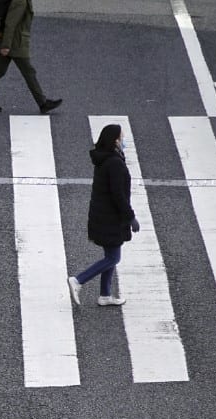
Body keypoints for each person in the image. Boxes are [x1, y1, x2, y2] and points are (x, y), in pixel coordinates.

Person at [68, 124, 138, 307]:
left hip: (103, 214)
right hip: (110, 218)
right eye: (121, 137)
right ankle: (78, 280)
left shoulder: (105, 158)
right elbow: (118, 194)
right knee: (113, 258)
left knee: (111, 254)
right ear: (115, 141)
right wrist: (131, 217)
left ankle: (105, 295)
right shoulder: (114, 162)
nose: (124, 141)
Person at [0, 0, 62, 114]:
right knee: (29, 72)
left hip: (13, 41)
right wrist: (6, 45)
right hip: (16, 43)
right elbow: (11, 22)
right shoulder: (20, 1)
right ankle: (42, 103)